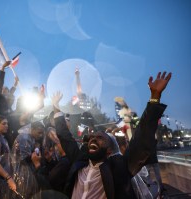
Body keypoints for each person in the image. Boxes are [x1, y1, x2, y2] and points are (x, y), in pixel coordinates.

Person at [51, 71, 171, 199]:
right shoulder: (79, 161)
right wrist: (56, 108)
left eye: (100, 138)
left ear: (109, 150)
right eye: (92, 137)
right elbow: (64, 136)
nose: (93, 139)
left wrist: (154, 98)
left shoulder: (118, 169)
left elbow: (141, 140)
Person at [12, 121, 45, 199]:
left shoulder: (31, 138)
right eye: (39, 132)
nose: (41, 135)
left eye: (42, 133)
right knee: (23, 193)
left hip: (25, 171)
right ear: (32, 129)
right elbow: (24, 158)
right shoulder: (25, 138)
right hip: (21, 172)